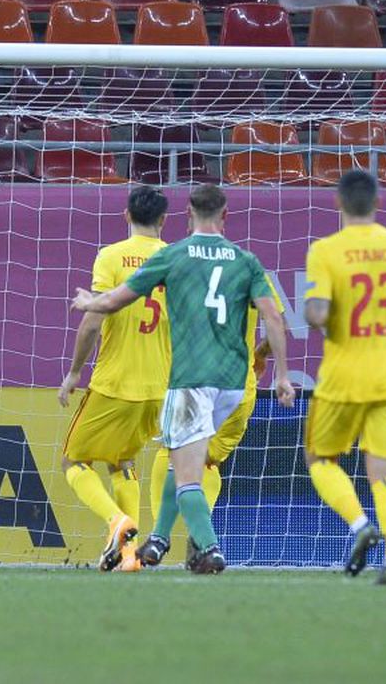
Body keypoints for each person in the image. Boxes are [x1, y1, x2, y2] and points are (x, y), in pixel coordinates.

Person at [72, 184, 295, 574]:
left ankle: (208, 546)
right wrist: (282, 375)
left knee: (185, 471)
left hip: (192, 379)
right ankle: (157, 538)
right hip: (233, 384)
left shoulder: (174, 255)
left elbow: (118, 299)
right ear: (225, 215)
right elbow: (275, 318)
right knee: (185, 463)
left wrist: (90, 302)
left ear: (187, 214)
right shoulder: (246, 261)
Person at [302, 170, 386, 585]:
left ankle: (359, 523)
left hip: (343, 377)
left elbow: (317, 314)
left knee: (320, 459)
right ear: (378, 203)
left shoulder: (326, 250)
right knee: (385, 473)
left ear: (338, 204)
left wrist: (327, 316)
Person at [56, 186, 170, 573]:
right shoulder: (175, 258)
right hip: (159, 386)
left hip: (115, 382)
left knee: (74, 459)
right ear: (163, 221)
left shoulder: (111, 256)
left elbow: (93, 320)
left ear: (126, 216)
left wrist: (73, 373)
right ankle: (128, 555)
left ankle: (116, 522)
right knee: (122, 462)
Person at [141, 275, 288, 568]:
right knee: (206, 462)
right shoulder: (248, 268)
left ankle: (163, 537)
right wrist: (263, 356)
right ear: (222, 226)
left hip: (196, 380)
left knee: (174, 456)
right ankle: (199, 542)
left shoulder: (185, 264)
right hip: (238, 387)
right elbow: (277, 325)